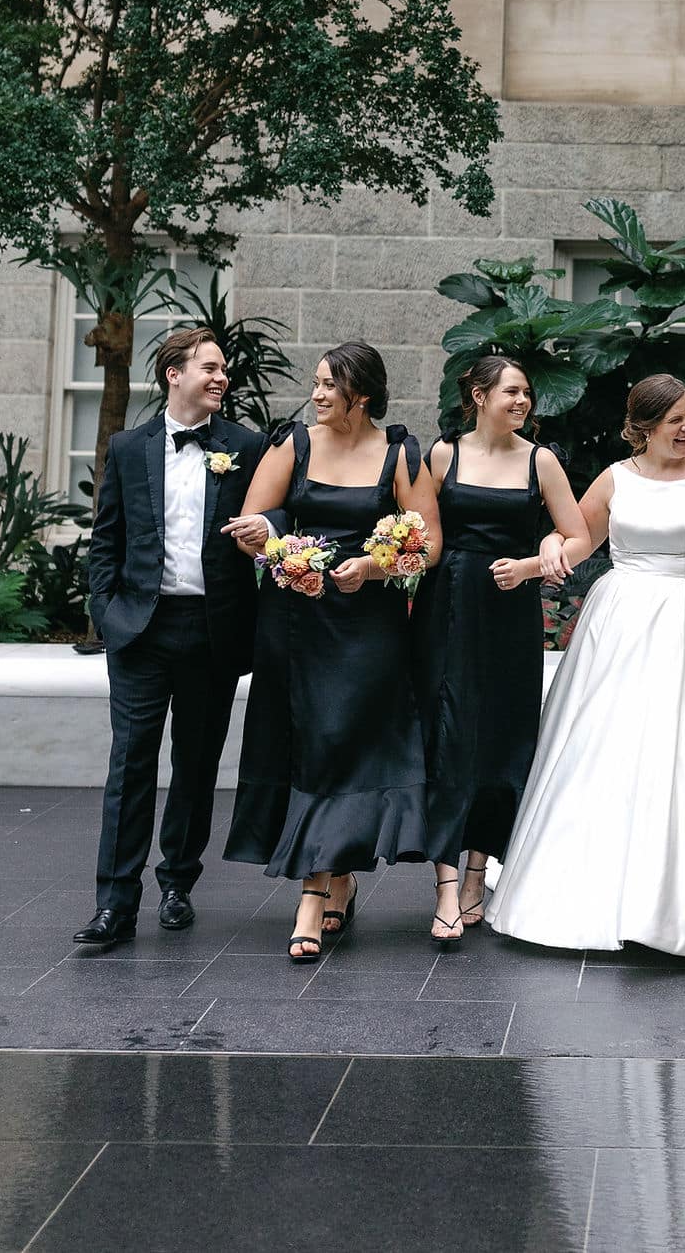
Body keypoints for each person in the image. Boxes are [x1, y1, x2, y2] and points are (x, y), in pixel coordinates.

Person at [485, 373, 685, 958]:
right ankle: (593, 893)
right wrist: (532, 567)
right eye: (674, 419)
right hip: (621, 623)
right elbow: (578, 541)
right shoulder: (614, 479)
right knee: (608, 749)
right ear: (645, 427)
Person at [223, 341, 441, 962]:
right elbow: (254, 525)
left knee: (347, 746)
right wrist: (276, 546)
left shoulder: (400, 454)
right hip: (294, 624)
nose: (316, 394)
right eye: (315, 383)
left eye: (328, 386)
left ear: (361, 395)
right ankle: (331, 879)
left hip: (367, 630)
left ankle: (314, 896)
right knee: (314, 749)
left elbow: (428, 547)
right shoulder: (292, 443)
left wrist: (372, 568)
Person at [75, 328, 268, 950]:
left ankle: (178, 883)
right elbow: (106, 539)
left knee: (195, 763)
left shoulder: (245, 446)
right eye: (209, 368)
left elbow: (280, 512)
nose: (222, 379)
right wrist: (107, 613)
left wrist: (266, 531)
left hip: (212, 629)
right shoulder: (129, 448)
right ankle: (114, 902)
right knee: (129, 764)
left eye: (224, 371)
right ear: (173, 374)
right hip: (142, 629)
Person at [415, 355, 589, 946]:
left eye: (526, 394)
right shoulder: (443, 455)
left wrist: (533, 565)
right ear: (479, 394)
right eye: (512, 392)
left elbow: (580, 535)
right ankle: (442, 887)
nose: (522, 402)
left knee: (500, 737)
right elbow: (421, 535)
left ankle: (474, 876)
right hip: (449, 607)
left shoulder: (541, 461)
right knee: (446, 735)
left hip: (511, 610)